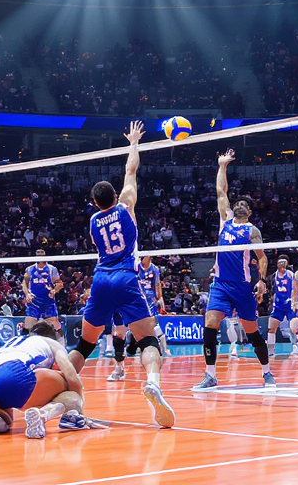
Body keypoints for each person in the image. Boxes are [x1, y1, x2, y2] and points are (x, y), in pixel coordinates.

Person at [66, 121, 173, 428]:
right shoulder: (126, 207)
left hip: (100, 279)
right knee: (147, 339)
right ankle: (153, 381)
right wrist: (134, 143)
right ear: (115, 196)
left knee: (85, 346)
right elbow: (131, 171)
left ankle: (60, 386)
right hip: (126, 277)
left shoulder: (93, 222)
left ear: (95, 203)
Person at [195, 149, 274, 390]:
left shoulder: (252, 231)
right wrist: (222, 166)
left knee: (252, 332)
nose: (239, 205)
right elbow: (221, 191)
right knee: (210, 323)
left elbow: (262, 258)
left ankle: (267, 372)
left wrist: (261, 281)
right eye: (238, 202)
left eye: (245, 205)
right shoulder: (225, 220)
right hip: (220, 284)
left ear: (249, 213)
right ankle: (210, 375)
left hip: (241, 286)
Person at [0, 321, 107, 439]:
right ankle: (42, 414)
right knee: (67, 383)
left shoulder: (15, 341)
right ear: (54, 336)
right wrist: (78, 406)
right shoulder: (52, 343)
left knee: (6, 418)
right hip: (13, 373)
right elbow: (71, 374)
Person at [266, 256, 298, 357]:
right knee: (271, 328)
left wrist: (295, 303)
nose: (281, 266)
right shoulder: (274, 276)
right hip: (278, 306)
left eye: (283, 264)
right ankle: (270, 351)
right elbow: (272, 289)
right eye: (280, 263)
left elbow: (295, 289)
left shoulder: (291, 275)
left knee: (294, 328)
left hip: (289, 305)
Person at [22, 250, 64, 335]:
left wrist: (54, 290)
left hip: (48, 302)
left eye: (42, 252)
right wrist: (27, 294)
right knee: (28, 326)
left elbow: (60, 284)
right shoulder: (29, 269)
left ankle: (61, 344)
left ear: (45, 255)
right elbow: (24, 283)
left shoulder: (51, 269)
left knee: (55, 327)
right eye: (38, 252)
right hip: (33, 302)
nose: (40, 254)